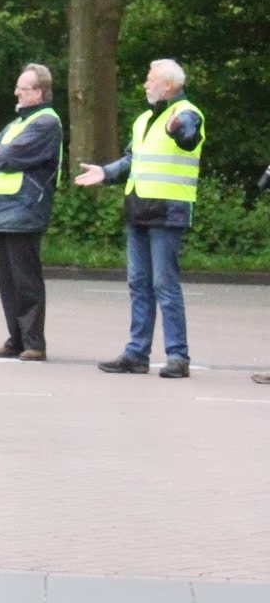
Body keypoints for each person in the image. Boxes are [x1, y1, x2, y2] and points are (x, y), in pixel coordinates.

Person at [75, 58, 204, 379]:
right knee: (138, 284)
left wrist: (178, 130)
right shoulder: (145, 119)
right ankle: (136, 354)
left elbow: (188, 136)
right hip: (139, 209)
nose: (145, 84)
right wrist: (105, 172)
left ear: (168, 86)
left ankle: (177, 356)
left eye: (151, 79)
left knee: (164, 284)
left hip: (167, 210)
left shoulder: (186, 113)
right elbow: (133, 159)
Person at [0, 63, 63, 362]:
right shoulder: (18, 123)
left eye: (22, 88)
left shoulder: (46, 122)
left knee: (26, 280)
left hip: (24, 208)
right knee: (8, 281)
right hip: (1, 208)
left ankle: (34, 342)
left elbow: (10, 154)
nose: (16, 92)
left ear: (39, 92)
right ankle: (16, 339)